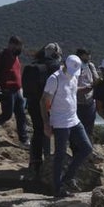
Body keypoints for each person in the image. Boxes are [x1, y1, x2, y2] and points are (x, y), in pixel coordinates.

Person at [42, 55, 93, 197]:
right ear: (64, 64)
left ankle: (67, 178)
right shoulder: (54, 79)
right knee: (60, 155)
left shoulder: (74, 76)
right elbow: (44, 101)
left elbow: (72, 91)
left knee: (86, 148)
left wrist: (86, 88)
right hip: (59, 122)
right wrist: (47, 123)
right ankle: (58, 189)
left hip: (74, 119)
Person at [21, 43, 63, 180]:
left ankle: (35, 162)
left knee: (37, 131)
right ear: (56, 53)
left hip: (32, 103)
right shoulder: (55, 66)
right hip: (47, 104)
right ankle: (49, 161)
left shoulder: (35, 64)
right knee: (50, 131)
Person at [0, 36, 28, 145]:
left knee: (21, 115)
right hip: (7, 90)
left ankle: (24, 140)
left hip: (18, 91)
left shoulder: (15, 57)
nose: (20, 49)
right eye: (18, 47)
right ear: (11, 45)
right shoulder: (2, 55)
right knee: (7, 114)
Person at [75, 47, 100, 130]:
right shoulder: (73, 68)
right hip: (77, 103)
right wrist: (82, 89)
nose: (88, 58)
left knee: (89, 128)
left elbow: (96, 80)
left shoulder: (90, 66)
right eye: (86, 57)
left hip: (90, 102)